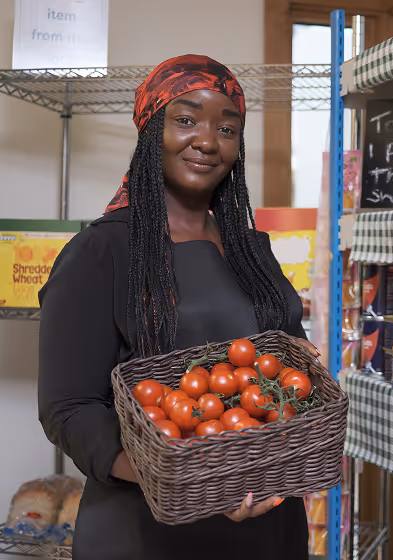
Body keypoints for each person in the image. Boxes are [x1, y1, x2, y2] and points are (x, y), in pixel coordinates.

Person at [38, 54, 316, 560]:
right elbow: (68, 409)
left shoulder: (253, 249)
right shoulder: (102, 252)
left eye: (227, 128)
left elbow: (278, 363)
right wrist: (178, 479)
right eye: (185, 120)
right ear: (150, 129)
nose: (208, 141)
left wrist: (302, 362)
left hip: (267, 525)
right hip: (146, 532)